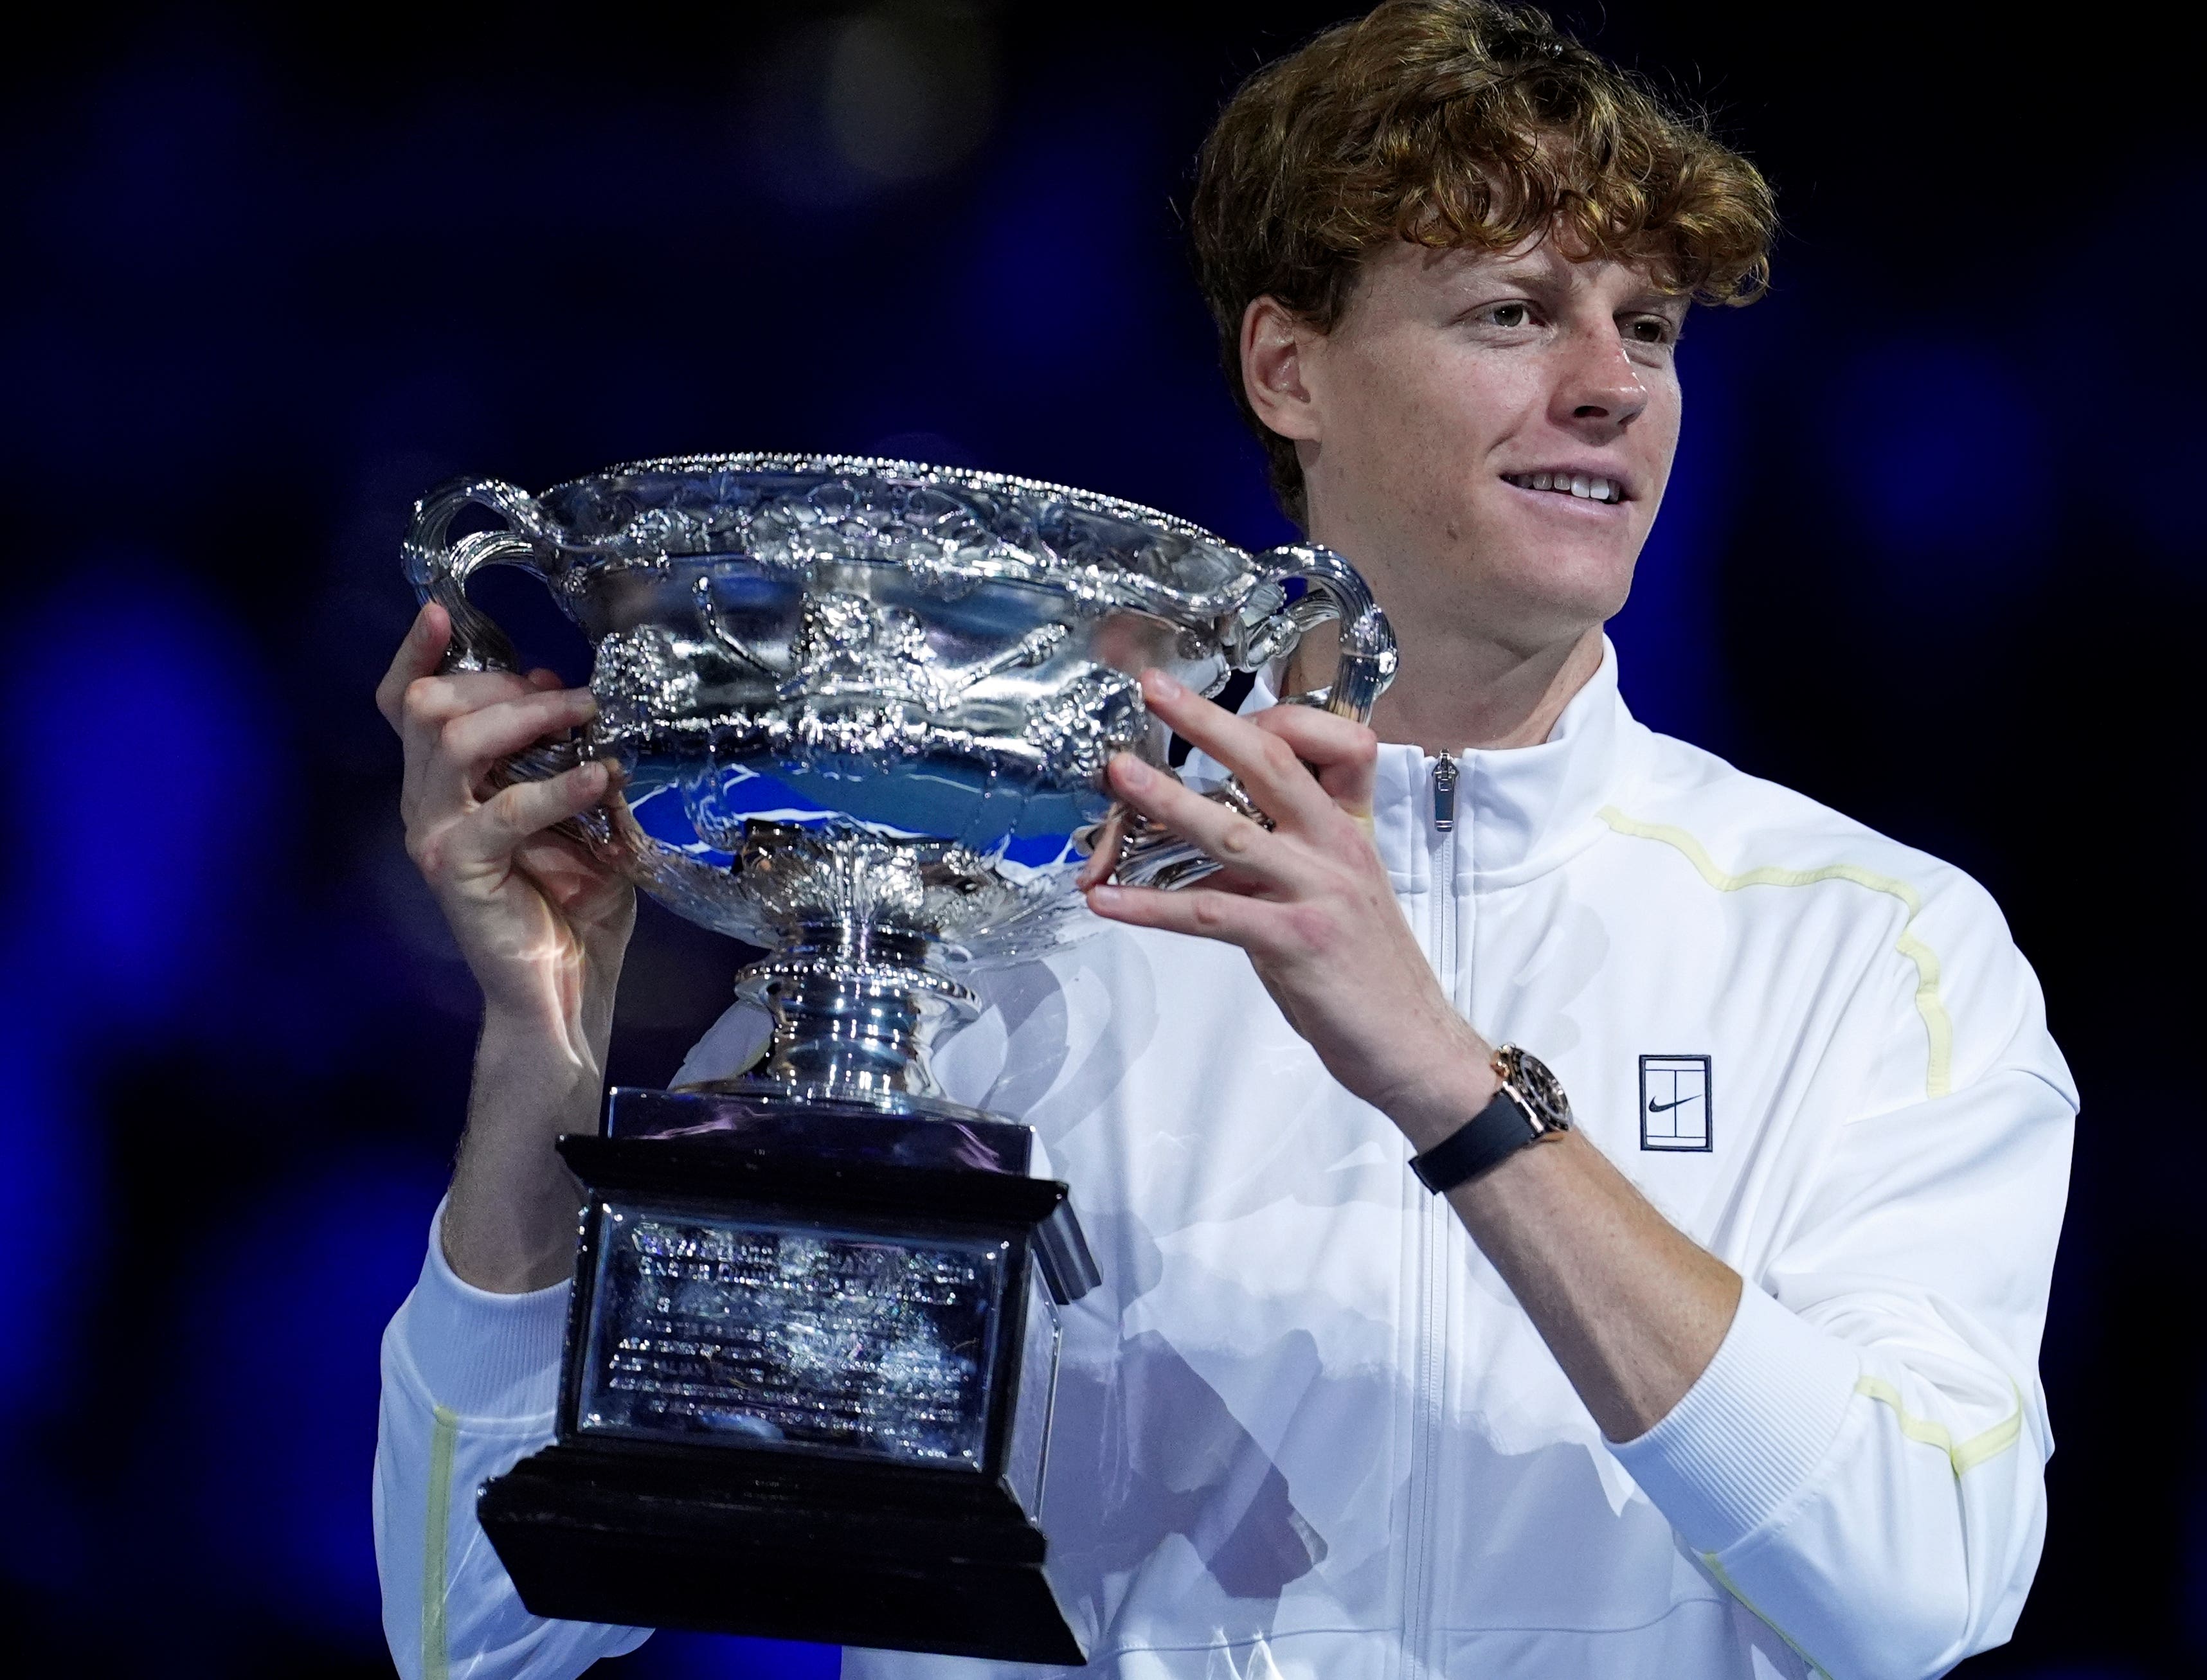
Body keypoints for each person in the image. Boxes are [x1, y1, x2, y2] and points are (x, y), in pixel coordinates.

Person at [373, 4, 2077, 1677]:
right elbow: (475, 1632)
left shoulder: (1872, 950)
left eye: (1650, 328)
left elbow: (1912, 1591)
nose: (1608, 388)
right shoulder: (1008, 907)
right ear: (1289, 367)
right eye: (1513, 313)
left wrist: (1452, 1090)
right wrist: (547, 1054)